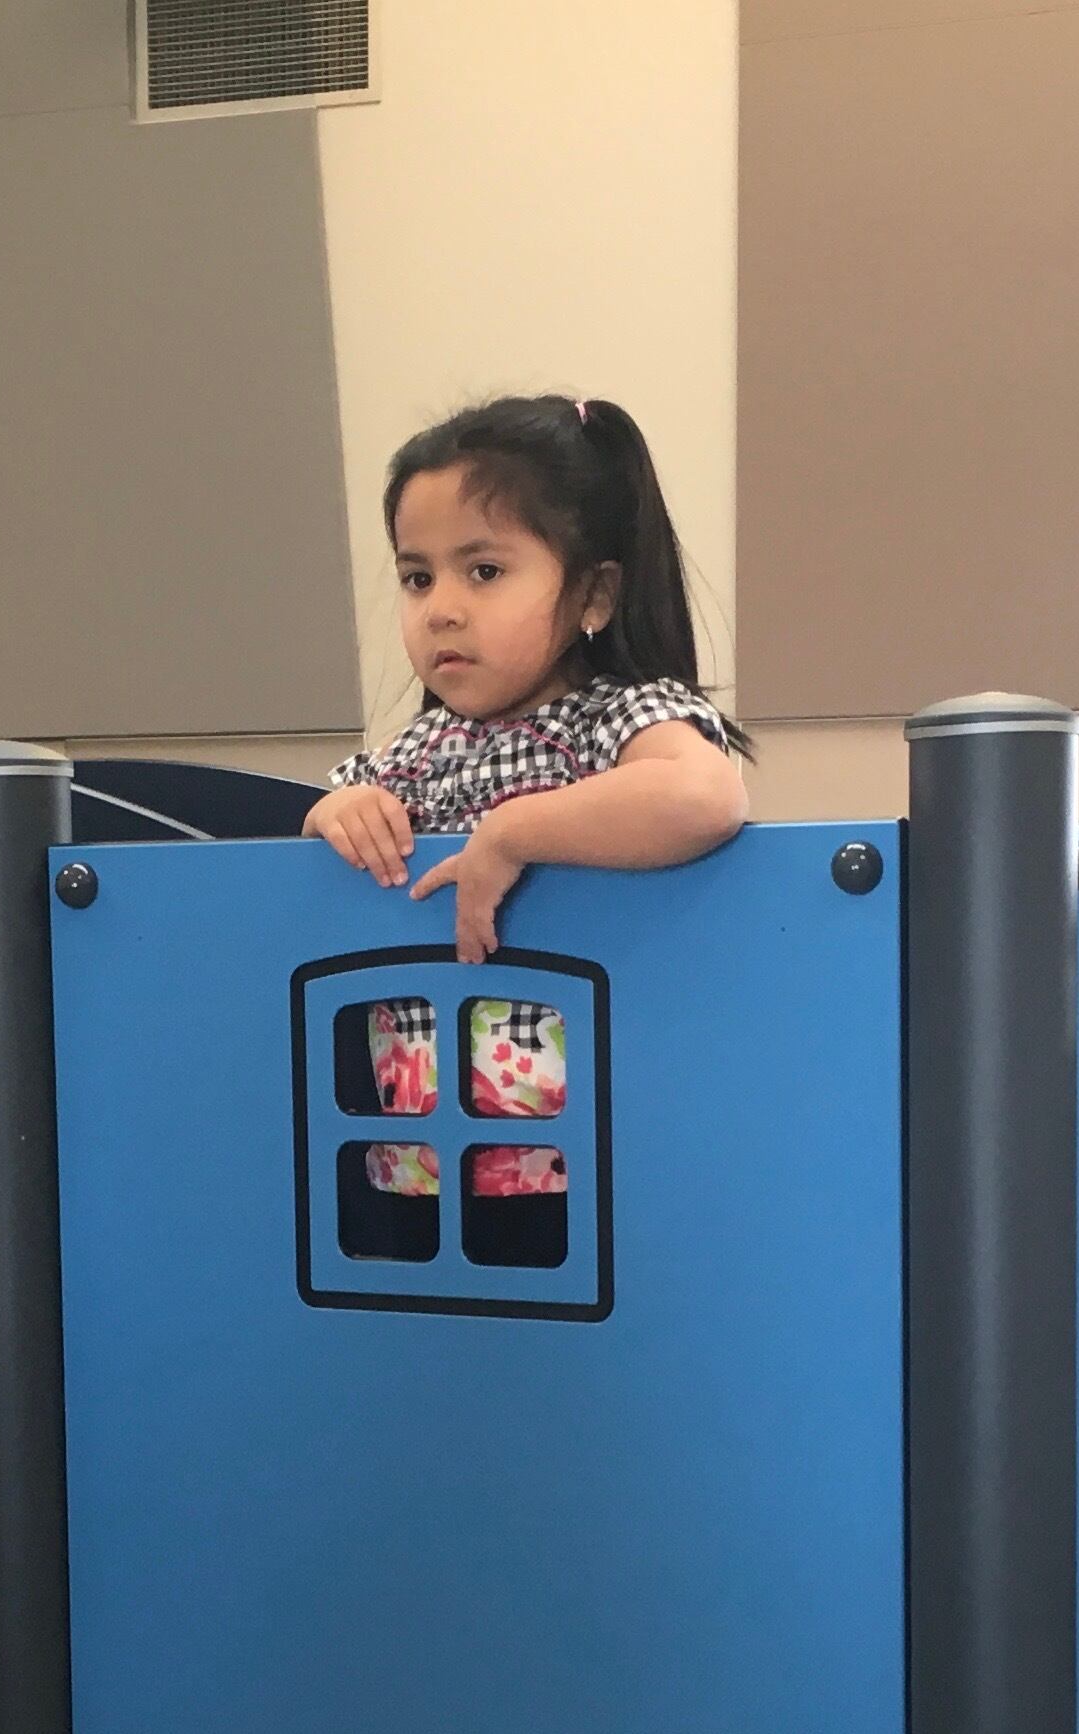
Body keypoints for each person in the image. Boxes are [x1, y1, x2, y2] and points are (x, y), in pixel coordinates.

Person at [306, 395, 750, 1254]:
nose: (439, 608)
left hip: (583, 1166)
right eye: (416, 576)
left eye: (483, 571)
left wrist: (510, 833)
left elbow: (704, 797)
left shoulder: (616, 716)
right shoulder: (415, 750)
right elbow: (307, 863)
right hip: (413, 1166)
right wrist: (338, 811)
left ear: (592, 593)